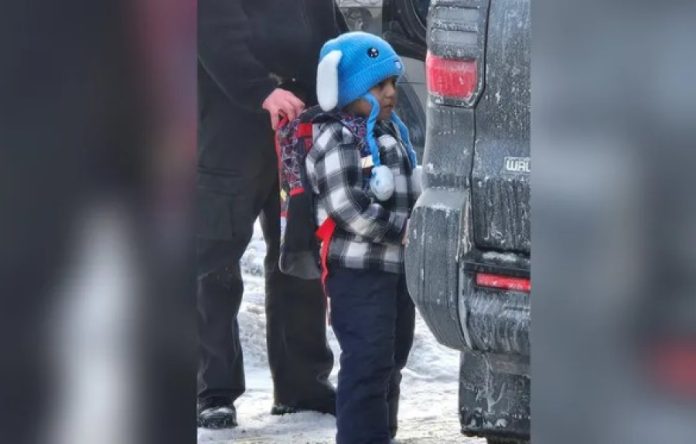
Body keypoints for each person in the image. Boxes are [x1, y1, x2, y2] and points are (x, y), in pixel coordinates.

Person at [196, 0, 347, 429]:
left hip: (301, 124)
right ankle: (212, 391)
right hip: (230, 127)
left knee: (299, 252)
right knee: (214, 257)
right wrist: (259, 90)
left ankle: (302, 385)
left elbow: (332, 35)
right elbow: (209, 26)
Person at [306, 32, 421, 443]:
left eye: (392, 83)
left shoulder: (393, 132)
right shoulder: (337, 137)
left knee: (392, 361)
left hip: (395, 272)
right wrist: (401, 230)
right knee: (367, 363)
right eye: (377, 85)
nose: (390, 93)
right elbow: (347, 206)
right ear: (345, 88)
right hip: (358, 274)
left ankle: (381, 434)